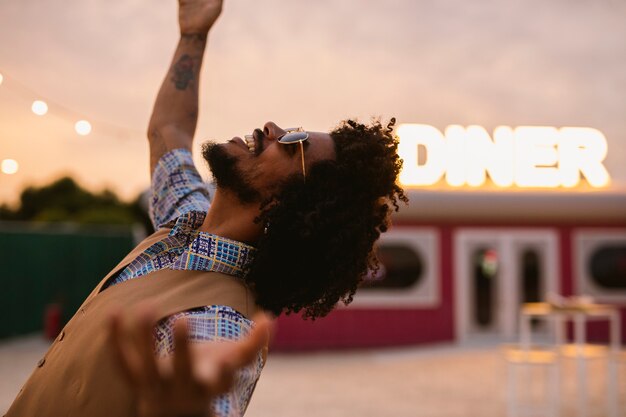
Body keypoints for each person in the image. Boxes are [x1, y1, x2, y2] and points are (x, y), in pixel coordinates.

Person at [6, 0, 406, 416]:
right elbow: (169, 130)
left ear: (292, 203)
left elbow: (209, 389)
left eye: (295, 143)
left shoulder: (218, 319)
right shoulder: (186, 220)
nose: (272, 128)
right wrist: (193, 33)